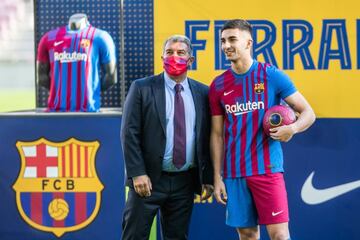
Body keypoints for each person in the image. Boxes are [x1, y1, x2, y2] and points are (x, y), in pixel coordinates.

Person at [209, 19, 316, 240]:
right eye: (222, 41)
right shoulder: (218, 85)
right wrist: (217, 178)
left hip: (267, 170)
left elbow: (308, 113)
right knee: (247, 235)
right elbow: (217, 135)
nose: (226, 45)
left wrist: (293, 129)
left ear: (249, 42)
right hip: (234, 173)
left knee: (279, 235)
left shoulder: (271, 75)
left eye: (232, 39)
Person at [121, 35, 213, 240]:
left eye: (181, 53)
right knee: (134, 236)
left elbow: (206, 138)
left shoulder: (203, 93)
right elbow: (129, 133)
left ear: (190, 60)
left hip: (184, 181)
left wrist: (207, 178)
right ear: (162, 57)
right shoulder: (142, 88)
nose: (174, 57)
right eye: (170, 52)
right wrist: (137, 173)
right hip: (148, 180)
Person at [37, 13, 117, 112]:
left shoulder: (100, 37)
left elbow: (111, 76)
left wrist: (91, 91)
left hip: (88, 113)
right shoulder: (49, 38)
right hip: (56, 113)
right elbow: (41, 78)